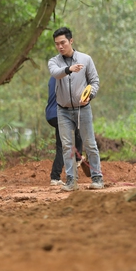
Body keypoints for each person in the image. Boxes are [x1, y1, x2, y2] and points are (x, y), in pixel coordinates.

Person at [48, 27, 104, 191]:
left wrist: (90, 94)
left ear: (71, 41)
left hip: (83, 108)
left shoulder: (86, 59)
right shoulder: (54, 61)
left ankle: (97, 179)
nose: (60, 46)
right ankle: (71, 181)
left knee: (90, 144)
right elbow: (55, 73)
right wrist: (69, 69)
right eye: (57, 44)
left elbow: (94, 81)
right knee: (67, 146)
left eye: (63, 42)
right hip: (63, 110)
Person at [46, 76, 83, 186]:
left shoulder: (53, 78)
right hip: (60, 114)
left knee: (61, 145)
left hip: (50, 115)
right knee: (78, 129)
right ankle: (77, 158)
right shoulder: (67, 78)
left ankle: (55, 177)